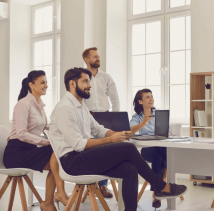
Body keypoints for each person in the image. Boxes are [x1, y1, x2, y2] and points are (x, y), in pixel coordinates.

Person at [48, 67, 187, 211]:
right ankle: (160, 187)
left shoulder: (81, 106)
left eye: (89, 81)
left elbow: (98, 129)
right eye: (85, 81)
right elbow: (78, 144)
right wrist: (111, 140)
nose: (89, 85)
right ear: (72, 84)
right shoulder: (65, 108)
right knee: (128, 148)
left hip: (82, 157)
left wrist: (118, 134)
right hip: (72, 162)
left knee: (129, 169)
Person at [3, 71, 69, 211]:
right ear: (31, 85)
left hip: (30, 150)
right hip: (16, 153)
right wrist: (45, 142)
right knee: (55, 152)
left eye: (46, 82)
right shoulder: (23, 104)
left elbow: (46, 127)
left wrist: (65, 130)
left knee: (57, 158)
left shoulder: (39, 105)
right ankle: (59, 194)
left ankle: (49, 202)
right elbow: (21, 134)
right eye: (42, 82)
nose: (46, 85)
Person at [82, 47, 120, 197]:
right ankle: (90, 182)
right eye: (94, 57)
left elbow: (115, 98)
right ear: (86, 59)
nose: (98, 59)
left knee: (106, 151)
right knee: (89, 150)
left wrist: (115, 118)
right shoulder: (82, 77)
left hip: (104, 118)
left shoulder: (106, 77)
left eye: (98, 56)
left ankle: (103, 185)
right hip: (87, 116)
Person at [129, 89, 166, 209]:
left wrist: (168, 132)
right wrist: (143, 123)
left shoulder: (159, 114)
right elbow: (130, 131)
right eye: (147, 97)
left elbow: (168, 130)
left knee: (164, 152)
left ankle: (159, 186)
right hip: (147, 149)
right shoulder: (137, 117)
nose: (151, 99)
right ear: (140, 101)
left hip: (161, 146)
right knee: (157, 156)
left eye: (151, 96)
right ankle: (160, 187)